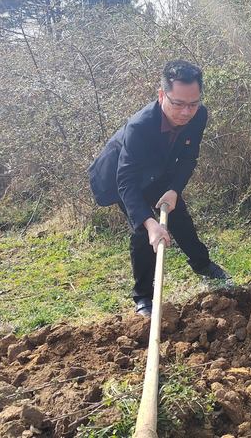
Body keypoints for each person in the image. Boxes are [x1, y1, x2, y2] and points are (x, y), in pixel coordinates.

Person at [89, 60, 228, 316]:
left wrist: (174, 189)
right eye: (178, 103)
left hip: (158, 170)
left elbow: (189, 158)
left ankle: (203, 264)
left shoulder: (199, 115)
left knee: (179, 216)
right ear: (162, 95)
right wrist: (150, 223)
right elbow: (126, 180)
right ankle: (143, 297)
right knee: (144, 233)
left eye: (193, 104)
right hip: (121, 176)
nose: (186, 112)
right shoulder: (140, 127)